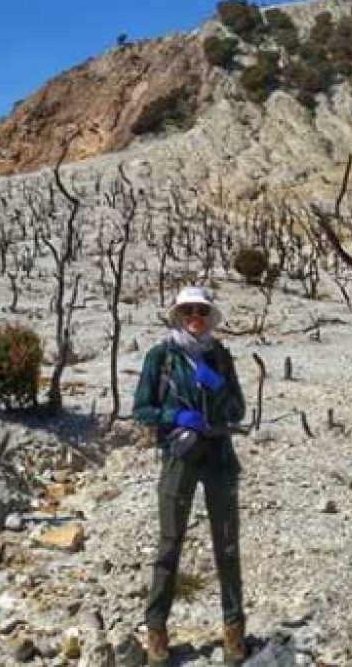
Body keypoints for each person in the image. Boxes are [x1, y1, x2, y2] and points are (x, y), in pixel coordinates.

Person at [132, 285, 247, 666]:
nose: (195, 318)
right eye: (188, 312)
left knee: (227, 547)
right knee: (169, 544)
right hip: (179, 457)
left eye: (201, 311)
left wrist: (219, 392)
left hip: (218, 456)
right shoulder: (161, 357)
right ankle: (156, 631)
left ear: (209, 316)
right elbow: (142, 410)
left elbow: (238, 409)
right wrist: (175, 417)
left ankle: (234, 631)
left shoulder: (220, 357)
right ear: (178, 316)